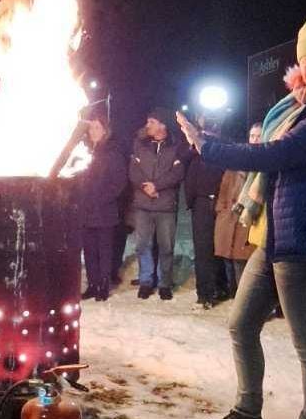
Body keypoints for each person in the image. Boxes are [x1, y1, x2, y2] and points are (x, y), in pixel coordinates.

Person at [177, 6, 306, 419]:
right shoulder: (302, 104)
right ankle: (249, 414)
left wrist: (208, 146)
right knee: (241, 324)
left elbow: (279, 154)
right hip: (280, 235)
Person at [129, 107, 187, 300]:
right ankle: (146, 281)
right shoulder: (140, 144)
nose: (148, 125)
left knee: (166, 246)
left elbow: (177, 174)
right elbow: (133, 170)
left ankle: (164, 283)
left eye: (152, 122)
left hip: (165, 206)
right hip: (143, 205)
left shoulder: (175, 146)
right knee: (143, 245)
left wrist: (157, 186)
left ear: (162, 125)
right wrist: (145, 186)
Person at [78, 116, 127, 301]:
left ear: (105, 130)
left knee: (104, 250)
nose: (93, 132)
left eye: (97, 128)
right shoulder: (84, 152)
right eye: (91, 128)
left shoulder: (112, 152)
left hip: (104, 210)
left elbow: (119, 182)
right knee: (89, 250)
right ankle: (92, 284)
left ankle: (104, 285)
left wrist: (102, 198)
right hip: (86, 210)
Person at [185, 114, 228, 309]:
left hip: (220, 202)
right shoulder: (194, 147)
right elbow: (184, 165)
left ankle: (221, 287)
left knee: (218, 248)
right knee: (203, 250)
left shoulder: (224, 146)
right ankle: (205, 293)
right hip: (201, 203)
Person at [213, 123, 260, 298]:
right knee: (229, 257)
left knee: (244, 261)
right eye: (252, 136)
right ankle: (235, 295)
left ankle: (246, 300)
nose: (255, 140)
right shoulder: (238, 159)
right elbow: (224, 187)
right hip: (230, 216)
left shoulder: (267, 162)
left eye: (258, 136)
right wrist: (222, 209)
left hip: (249, 218)